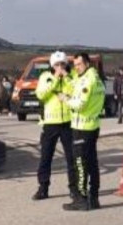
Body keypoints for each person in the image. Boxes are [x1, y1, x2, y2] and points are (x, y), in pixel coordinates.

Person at [32, 52, 81, 202]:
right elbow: (41, 95)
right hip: (50, 123)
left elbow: (76, 92)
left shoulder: (71, 77)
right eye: (57, 65)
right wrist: (54, 80)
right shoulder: (46, 77)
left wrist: (66, 77)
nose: (60, 67)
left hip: (67, 122)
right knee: (46, 157)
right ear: (52, 66)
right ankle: (43, 187)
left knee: (71, 157)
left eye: (62, 64)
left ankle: (74, 188)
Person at [63, 53, 106, 212]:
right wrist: (67, 75)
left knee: (80, 164)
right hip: (92, 126)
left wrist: (65, 99)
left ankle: (81, 198)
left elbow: (80, 104)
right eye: (75, 65)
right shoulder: (96, 79)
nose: (76, 67)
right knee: (93, 163)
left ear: (87, 63)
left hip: (82, 127)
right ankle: (94, 197)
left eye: (79, 64)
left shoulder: (88, 81)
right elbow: (76, 82)